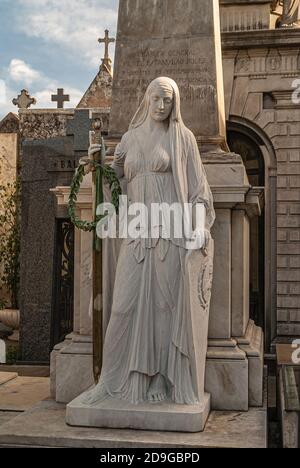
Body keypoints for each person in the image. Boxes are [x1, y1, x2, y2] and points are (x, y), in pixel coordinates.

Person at [84, 77, 215, 406]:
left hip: (169, 232)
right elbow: (113, 179)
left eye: (167, 100)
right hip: (137, 231)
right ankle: (110, 380)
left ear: (175, 103)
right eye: (156, 98)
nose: (161, 106)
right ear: (146, 98)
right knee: (123, 307)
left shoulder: (182, 139)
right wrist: (97, 161)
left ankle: (159, 376)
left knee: (163, 307)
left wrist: (199, 226)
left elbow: (198, 190)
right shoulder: (128, 139)